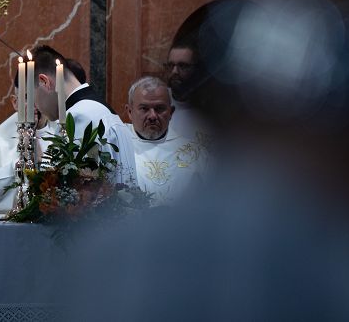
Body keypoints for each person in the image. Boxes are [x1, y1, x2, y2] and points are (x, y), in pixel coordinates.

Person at [111, 76, 206, 205]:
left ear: (171, 112)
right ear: (129, 111)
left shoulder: (196, 154)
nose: (152, 116)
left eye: (159, 109)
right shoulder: (115, 145)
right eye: (144, 108)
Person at [32, 45, 119, 141]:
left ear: (44, 81)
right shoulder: (103, 109)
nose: (35, 105)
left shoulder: (76, 118)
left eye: (31, 95)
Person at [162, 39, 213, 149]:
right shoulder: (156, 105)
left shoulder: (211, 109)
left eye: (183, 66)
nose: (175, 71)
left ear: (197, 70)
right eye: (170, 66)